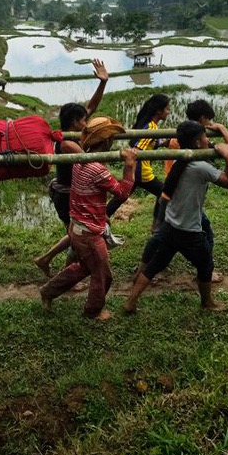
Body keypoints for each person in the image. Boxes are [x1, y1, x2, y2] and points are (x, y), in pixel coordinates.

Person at [124, 120, 228, 314]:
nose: (207, 140)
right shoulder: (201, 168)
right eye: (204, 137)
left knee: (155, 265)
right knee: (206, 265)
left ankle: (130, 302)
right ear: (196, 143)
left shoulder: (181, 160)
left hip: (170, 225)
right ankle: (207, 303)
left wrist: (216, 143)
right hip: (189, 230)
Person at [40, 117, 137, 321]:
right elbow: (122, 193)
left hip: (78, 226)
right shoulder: (97, 169)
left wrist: (101, 215)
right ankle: (94, 311)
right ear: (108, 143)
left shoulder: (80, 161)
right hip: (88, 233)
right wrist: (129, 167)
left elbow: (86, 195)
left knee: (85, 267)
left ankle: (48, 291)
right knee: (102, 274)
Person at [144, 99, 228, 283]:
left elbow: (162, 144)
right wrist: (222, 129)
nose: (210, 126)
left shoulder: (179, 134)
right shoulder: (198, 138)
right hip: (183, 195)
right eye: (209, 121)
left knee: (162, 235)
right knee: (192, 235)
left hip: (169, 192)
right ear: (203, 118)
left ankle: (144, 270)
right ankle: (205, 271)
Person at [33, 59, 110, 277]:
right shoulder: (67, 144)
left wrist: (103, 83)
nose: (87, 123)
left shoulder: (72, 134)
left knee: (75, 233)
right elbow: (90, 164)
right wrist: (104, 145)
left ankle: (47, 260)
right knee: (78, 235)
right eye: (84, 120)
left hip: (69, 194)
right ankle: (62, 273)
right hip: (66, 196)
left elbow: (91, 107)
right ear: (76, 121)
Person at [105, 93, 170, 227]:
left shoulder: (146, 123)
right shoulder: (151, 127)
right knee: (164, 193)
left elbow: (148, 143)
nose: (169, 112)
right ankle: (156, 225)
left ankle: (101, 218)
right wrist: (134, 171)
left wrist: (163, 142)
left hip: (134, 169)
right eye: (167, 109)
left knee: (121, 197)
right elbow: (138, 148)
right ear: (159, 110)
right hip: (141, 171)